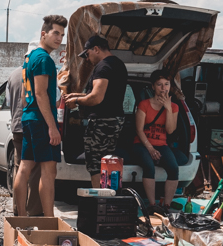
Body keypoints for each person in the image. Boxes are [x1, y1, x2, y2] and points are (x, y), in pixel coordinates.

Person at [13, 14, 66, 217]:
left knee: (25, 167)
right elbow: (40, 93)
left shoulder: (31, 57)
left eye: (61, 34)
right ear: (43, 34)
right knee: (48, 171)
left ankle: (21, 217)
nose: (59, 38)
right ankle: (49, 219)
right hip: (41, 121)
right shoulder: (44, 59)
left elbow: (27, 97)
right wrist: (52, 127)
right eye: (55, 33)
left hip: (29, 118)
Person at [64, 35, 128, 188]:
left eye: (87, 54)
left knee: (96, 164)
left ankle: (100, 202)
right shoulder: (118, 64)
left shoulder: (103, 67)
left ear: (96, 49)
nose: (87, 58)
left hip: (102, 122)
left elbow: (97, 98)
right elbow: (106, 95)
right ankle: (109, 200)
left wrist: (76, 101)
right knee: (108, 161)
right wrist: (77, 95)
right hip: (114, 120)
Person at [132, 70, 181, 212]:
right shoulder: (144, 104)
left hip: (161, 144)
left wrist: (168, 108)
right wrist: (151, 149)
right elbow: (139, 130)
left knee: (173, 168)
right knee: (149, 166)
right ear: (153, 87)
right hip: (142, 143)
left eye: (166, 84)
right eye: (159, 85)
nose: (163, 88)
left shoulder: (174, 107)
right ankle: (152, 204)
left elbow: (170, 130)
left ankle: (166, 205)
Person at [4, 56, 40, 216]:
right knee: (35, 169)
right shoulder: (39, 72)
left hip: (17, 125)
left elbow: (9, 100)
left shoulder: (13, 75)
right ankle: (32, 211)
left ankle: (18, 209)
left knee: (19, 167)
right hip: (33, 125)